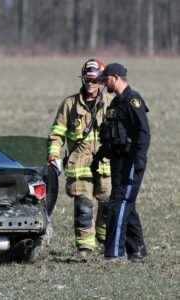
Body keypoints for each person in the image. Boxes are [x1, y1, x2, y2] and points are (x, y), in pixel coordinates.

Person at [47, 59, 112, 256]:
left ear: (101, 81)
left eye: (94, 80)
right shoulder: (69, 104)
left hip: (106, 164)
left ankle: (104, 238)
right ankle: (85, 248)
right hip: (79, 165)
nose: (90, 84)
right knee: (83, 206)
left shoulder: (110, 103)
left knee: (108, 204)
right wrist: (54, 154)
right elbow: (57, 133)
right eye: (87, 80)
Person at [97, 63, 150, 262]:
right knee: (128, 204)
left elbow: (144, 133)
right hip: (117, 163)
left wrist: (139, 160)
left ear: (116, 77)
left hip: (130, 163)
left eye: (106, 79)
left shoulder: (132, 100)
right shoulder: (116, 103)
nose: (104, 83)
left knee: (119, 204)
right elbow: (111, 134)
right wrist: (99, 156)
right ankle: (136, 250)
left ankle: (114, 253)